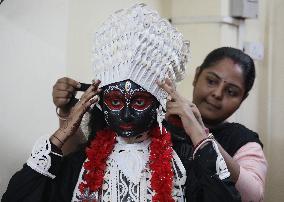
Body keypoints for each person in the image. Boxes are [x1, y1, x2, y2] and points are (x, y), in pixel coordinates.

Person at [2, 4, 240, 202]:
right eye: (115, 101)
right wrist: (64, 131)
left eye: (138, 102)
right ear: (101, 104)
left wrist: (198, 134)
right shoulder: (81, 164)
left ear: (158, 104)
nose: (125, 114)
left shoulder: (183, 161)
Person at [50, 47, 268, 202]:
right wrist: (68, 112)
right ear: (197, 75)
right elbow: (79, 162)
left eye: (231, 91)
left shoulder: (242, 140)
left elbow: (252, 195)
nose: (217, 94)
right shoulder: (148, 121)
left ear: (243, 97)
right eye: (211, 81)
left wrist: (199, 133)